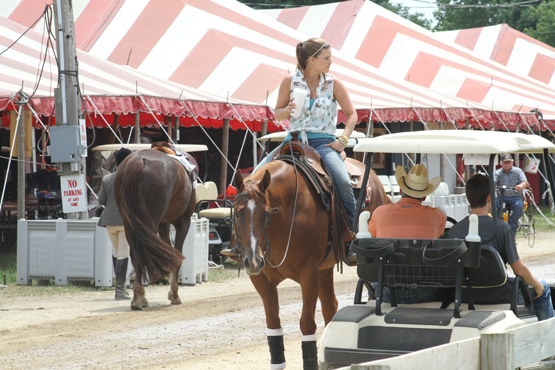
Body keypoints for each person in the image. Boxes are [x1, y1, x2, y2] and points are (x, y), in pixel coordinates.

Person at [222, 37, 358, 260]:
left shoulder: (334, 83)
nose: (330, 62)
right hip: (293, 139)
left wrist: (343, 139)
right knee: (252, 180)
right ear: (311, 60)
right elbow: (277, 113)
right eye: (327, 58)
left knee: (342, 181)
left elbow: (352, 115)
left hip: (323, 143)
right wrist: (289, 109)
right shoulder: (289, 81)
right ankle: (237, 243)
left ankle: (351, 238)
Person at [447, 174, 553, 321]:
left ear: (468, 198)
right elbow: (519, 269)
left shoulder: (454, 231)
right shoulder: (501, 228)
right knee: (543, 288)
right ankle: (548, 338)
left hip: (464, 294)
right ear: (490, 197)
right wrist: (537, 285)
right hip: (500, 294)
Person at [368, 164, 447, 303]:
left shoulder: (379, 212)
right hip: (426, 292)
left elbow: (371, 237)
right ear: (424, 197)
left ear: (400, 190)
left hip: (387, 291)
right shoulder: (438, 215)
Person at [97, 148, 133, 300]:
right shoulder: (131, 178)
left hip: (110, 222)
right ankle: (120, 289)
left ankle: (120, 288)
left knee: (116, 252)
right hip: (125, 221)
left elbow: (101, 200)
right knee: (123, 254)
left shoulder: (107, 178)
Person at [494, 153, 529, 236]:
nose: (507, 164)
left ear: (512, 162)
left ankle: (512, 225)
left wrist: (520, 186)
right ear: (501, 163)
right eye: (505, 162)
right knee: (493, 205)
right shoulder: (498, 172)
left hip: (515, 197)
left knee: (519, 207)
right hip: (501, 197)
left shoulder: (518, 171)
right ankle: (497, 224)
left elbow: (526, 182)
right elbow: (493, 182)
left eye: (509, 162)